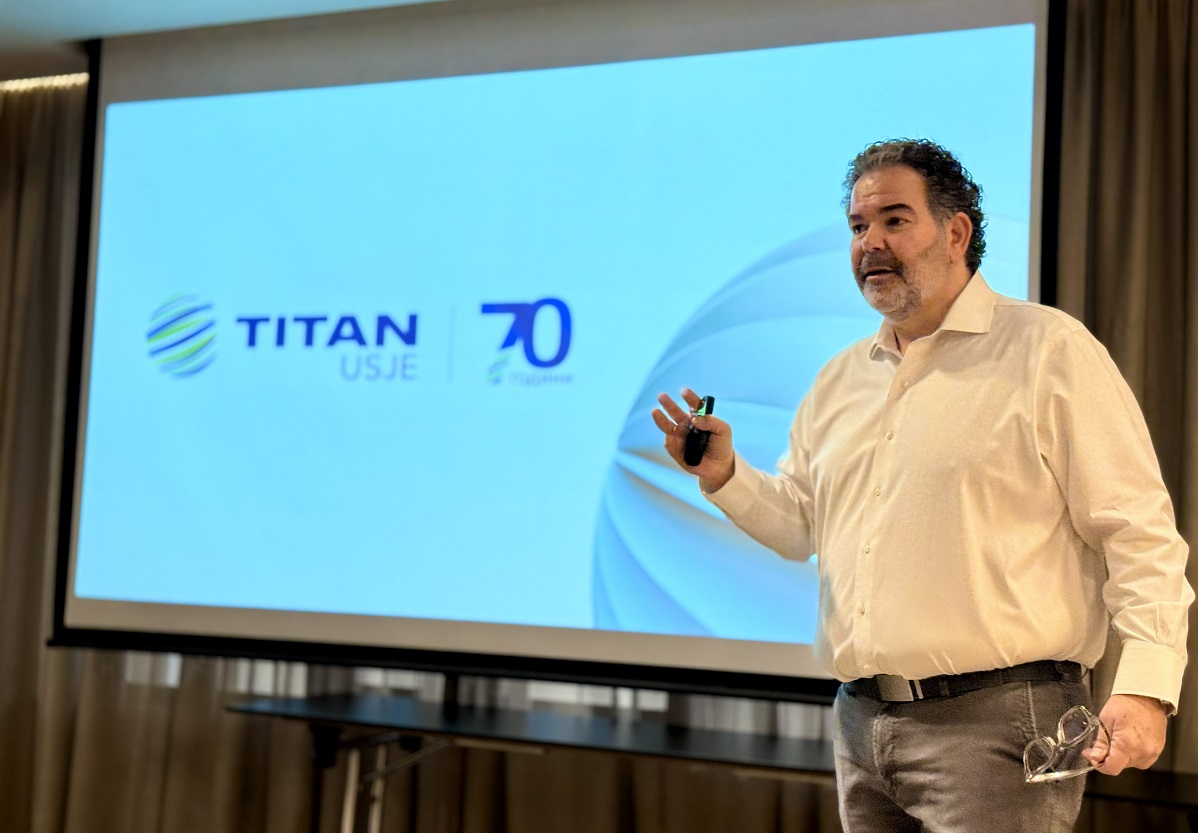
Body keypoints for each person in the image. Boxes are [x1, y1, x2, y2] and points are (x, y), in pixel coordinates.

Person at [652, 139, 1193, 832]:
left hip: (999, 726)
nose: (870, 243)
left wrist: (1146, 688)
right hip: (861, 723)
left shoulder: (1048, 350)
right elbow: (801, 527)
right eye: (857, 226)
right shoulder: (840, 378)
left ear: (956, 232)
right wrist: (724, 474)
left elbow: (1138, 533)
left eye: (894, 220)